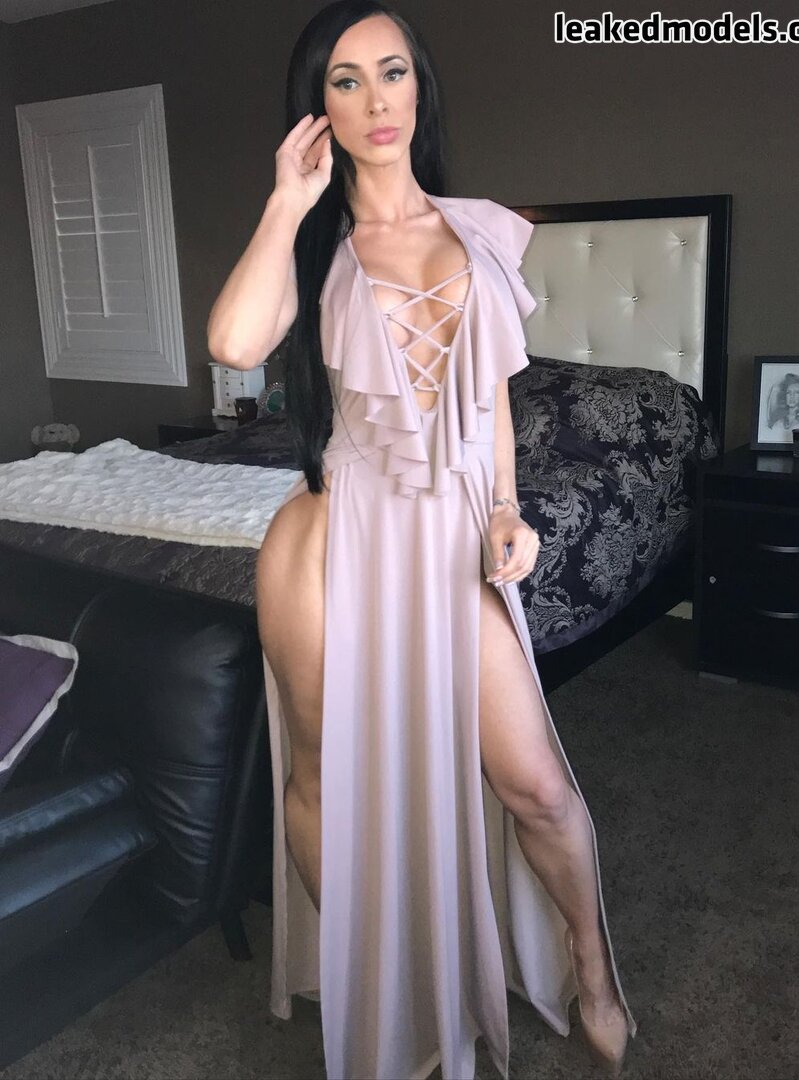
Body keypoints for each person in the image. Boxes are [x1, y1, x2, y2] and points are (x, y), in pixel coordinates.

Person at [207, 3, 638, 1077]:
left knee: (537, 785)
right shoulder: (314, 242)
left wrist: (504, 508)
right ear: (320, 107)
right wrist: (286, 199)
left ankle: (592, 965)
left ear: (420, 85)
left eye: (391, 72)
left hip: (449, 541)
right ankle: (381, 983)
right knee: (323, 776)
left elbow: (489, 404)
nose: (375, 99)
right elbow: (233, 343)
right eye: (345, 80)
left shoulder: (479, 230)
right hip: (330, 540)